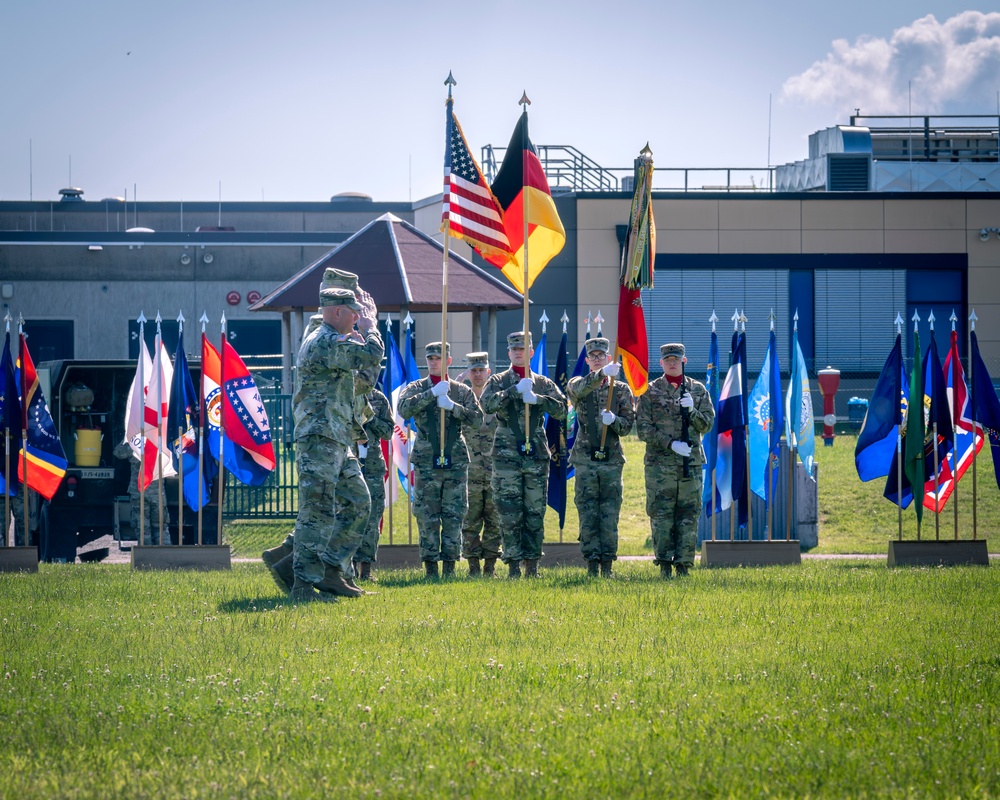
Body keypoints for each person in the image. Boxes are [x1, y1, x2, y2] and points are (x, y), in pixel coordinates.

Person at [289, 286, 383, 602]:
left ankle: (331, 571)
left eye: (361, 313)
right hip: (319, 438)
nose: (359, 317)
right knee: (316, 510)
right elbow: (370, 354)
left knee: (359, 502)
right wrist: (371, 329)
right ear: (337, 311)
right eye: (354, 312)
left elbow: (363, 381)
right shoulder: (324, 342)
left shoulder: (335, 343)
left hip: (337, 437)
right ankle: (302, 585)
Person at [479, 331, 567, 578]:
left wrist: (538, 399)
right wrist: (513, 391)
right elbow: (486, 405)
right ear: (508, 353)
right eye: (514, 349)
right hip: (506, 455)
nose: (518, 352)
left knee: (534, 510)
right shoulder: (497, 380)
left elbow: (562, 410)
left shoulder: (543, 383)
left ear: (530, 352)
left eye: (523, 348)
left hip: (536, 454)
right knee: (508, 511)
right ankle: (513, 565)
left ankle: (533, 566)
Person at [398, 342, 482, 578]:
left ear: (449, 360)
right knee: (427, 514)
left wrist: (453, 406)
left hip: (454, 459)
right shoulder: (416, 387)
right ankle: (430, 567)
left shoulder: (461, 391)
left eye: (438, 358)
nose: (434, 362)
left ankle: (450, 566)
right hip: (426, 460)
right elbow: (404, 409)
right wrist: (431, 394)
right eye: (430, 358)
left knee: (454, 514)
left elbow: (477, 419)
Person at [636, 343, 715, 578]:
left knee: (688, 514)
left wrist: (692, 411)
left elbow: (708, 425)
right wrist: (670, 443)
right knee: (661, 515)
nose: (672, 362)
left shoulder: (698, 390)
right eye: (668, 359)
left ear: (684, 361)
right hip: (659, 465)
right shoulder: (649, 391)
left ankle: (684, 565)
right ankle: (664, 565)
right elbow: (643, 429)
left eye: (676, 359)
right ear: (660, 363)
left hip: (689, 464)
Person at [566, 337, 636, 577]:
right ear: (587, 360)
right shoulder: (578, 382)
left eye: (601, 356)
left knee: (609, 512)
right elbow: (578, 389)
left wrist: (615, 421)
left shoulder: (621, 389)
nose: (597, 359)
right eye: (593, 356)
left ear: (609, 357)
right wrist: (601, 374)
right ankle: (591, 564)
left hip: (611, 460)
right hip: (585, 460)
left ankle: (607, 564)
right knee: (587, 512)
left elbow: (627, 427)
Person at [458, 352, 502, 577]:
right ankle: (473, 567)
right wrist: (458, 383)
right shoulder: (462, 397)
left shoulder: (496, 398)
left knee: (494, 519)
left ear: (488, 372)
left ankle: (490, 567)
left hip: (494, 468)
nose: (477, 374)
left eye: (481, 370)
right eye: (473, 371)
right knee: (471, 518)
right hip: (471, 469)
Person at [354, 387, 393, 581]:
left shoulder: (378, 398)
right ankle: (347, 569)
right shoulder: (340, 394)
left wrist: (371, 418)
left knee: (372, 518)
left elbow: (388, 432)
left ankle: (366, 570)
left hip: (372, 468)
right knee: (348, 517)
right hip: (347, 465)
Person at [113, 441, 171, 545]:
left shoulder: (135, 443)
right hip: (156, 493)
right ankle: (165, 558)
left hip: (139, 492)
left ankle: (146, 557)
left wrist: (128, 438)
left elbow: (118, 452)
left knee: (143, 528)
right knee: (160, 528)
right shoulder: (161, 442)